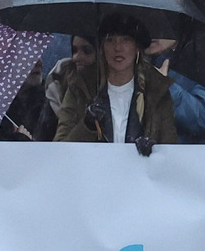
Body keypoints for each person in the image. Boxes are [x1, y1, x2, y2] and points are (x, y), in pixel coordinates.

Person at [50, 12, 178, 150]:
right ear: (102, 47)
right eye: (110, 40)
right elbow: (61, 148)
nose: (118, 48)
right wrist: (87, 126)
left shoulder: (156, 90)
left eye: (125, 40)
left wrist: (152, 150)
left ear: (137, 48)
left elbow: (169, 149)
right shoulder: (80, 86)